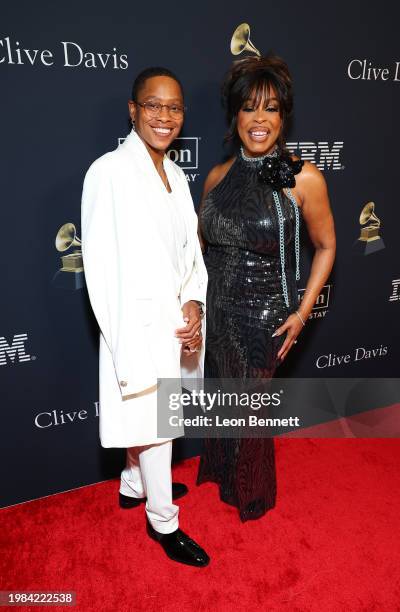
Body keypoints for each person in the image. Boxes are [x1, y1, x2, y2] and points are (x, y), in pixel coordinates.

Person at [197, 54, 336, 521]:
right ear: (235, 115)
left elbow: (327, 245)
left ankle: (252, 496)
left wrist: (301, 312)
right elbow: (201, 247)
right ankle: (222, 475)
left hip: (263, 319)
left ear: (283, 117)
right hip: (217, 315)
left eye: (271, 108)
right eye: (249, 108)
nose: (259, 120)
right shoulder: (216, 177)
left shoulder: (304, 177)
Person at [81, 67, 209, 566]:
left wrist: (196, 300)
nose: (164, 116)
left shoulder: (176, 174)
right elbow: (101, 269)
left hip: (177, 323)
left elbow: (190, 255)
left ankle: (133, 483)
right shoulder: (107, 172)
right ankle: (164, 522)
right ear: (133, 110)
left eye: (174, 107)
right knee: (154, 421)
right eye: (153, 105)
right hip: (137, 328)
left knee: (158, 419)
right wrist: (125, 341)